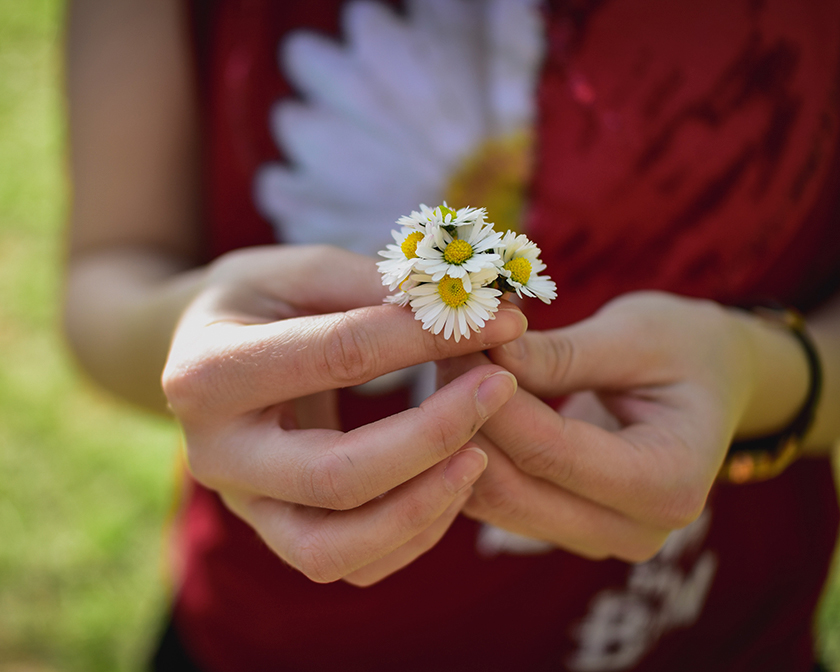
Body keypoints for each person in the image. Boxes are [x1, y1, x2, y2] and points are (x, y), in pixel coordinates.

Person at [63, 0, 840, 670]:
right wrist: (190, 332)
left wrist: (769, 376)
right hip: (279, 633)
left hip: (707, 629)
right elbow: (109, 269)